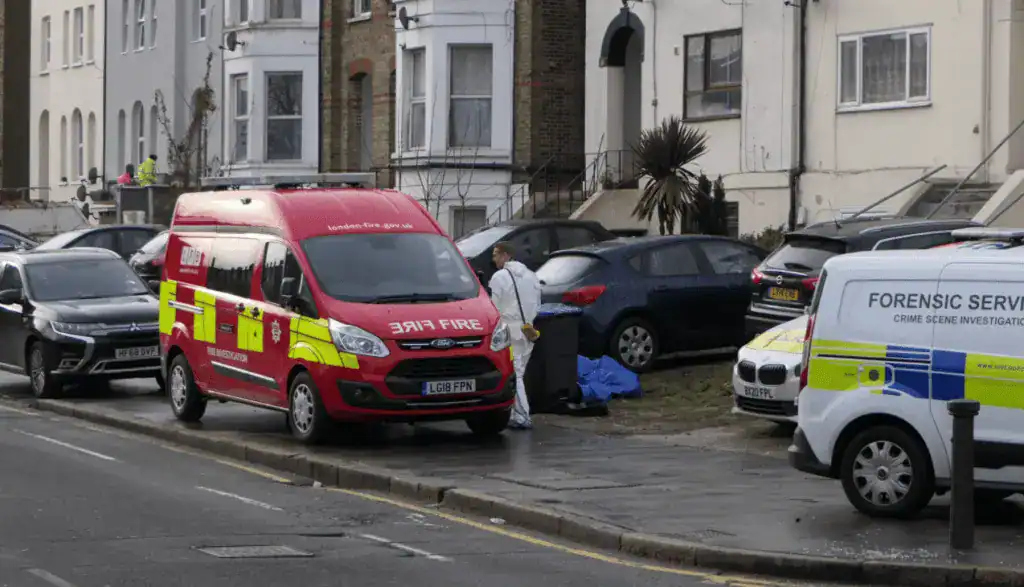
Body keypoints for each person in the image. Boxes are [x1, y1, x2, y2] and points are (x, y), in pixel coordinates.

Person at [488, 241, 541, 429]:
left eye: (495, 255)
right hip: (528, 330)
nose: (493, 259)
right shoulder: (531, 276)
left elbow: (493, 308)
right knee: (520, 373)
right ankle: (516, 413)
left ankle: (522, 415)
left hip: (509, 331)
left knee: (515, 374)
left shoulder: (499, 277)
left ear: (505, 255)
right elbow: (538, 304)